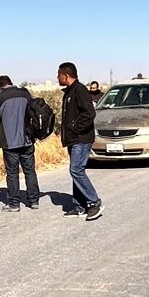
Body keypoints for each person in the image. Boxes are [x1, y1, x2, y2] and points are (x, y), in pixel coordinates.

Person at [0, 75, 40, 212]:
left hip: (9, 142)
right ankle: (34, 201)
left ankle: (14, 204)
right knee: (30, 171)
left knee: (12, 173)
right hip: (27, 140)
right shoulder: (26, 93)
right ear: (11, 83)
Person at [58, 61, 103, 221]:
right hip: (73, 139)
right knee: (76, 170)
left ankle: (94, 202)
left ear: (66, 75)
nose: (57, 78)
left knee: (76, 170)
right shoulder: (69, 91)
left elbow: (89, 114)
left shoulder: (80, 90)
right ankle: (79, 206)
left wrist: (75, 128)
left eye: (59, 75)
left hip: (81, 138)